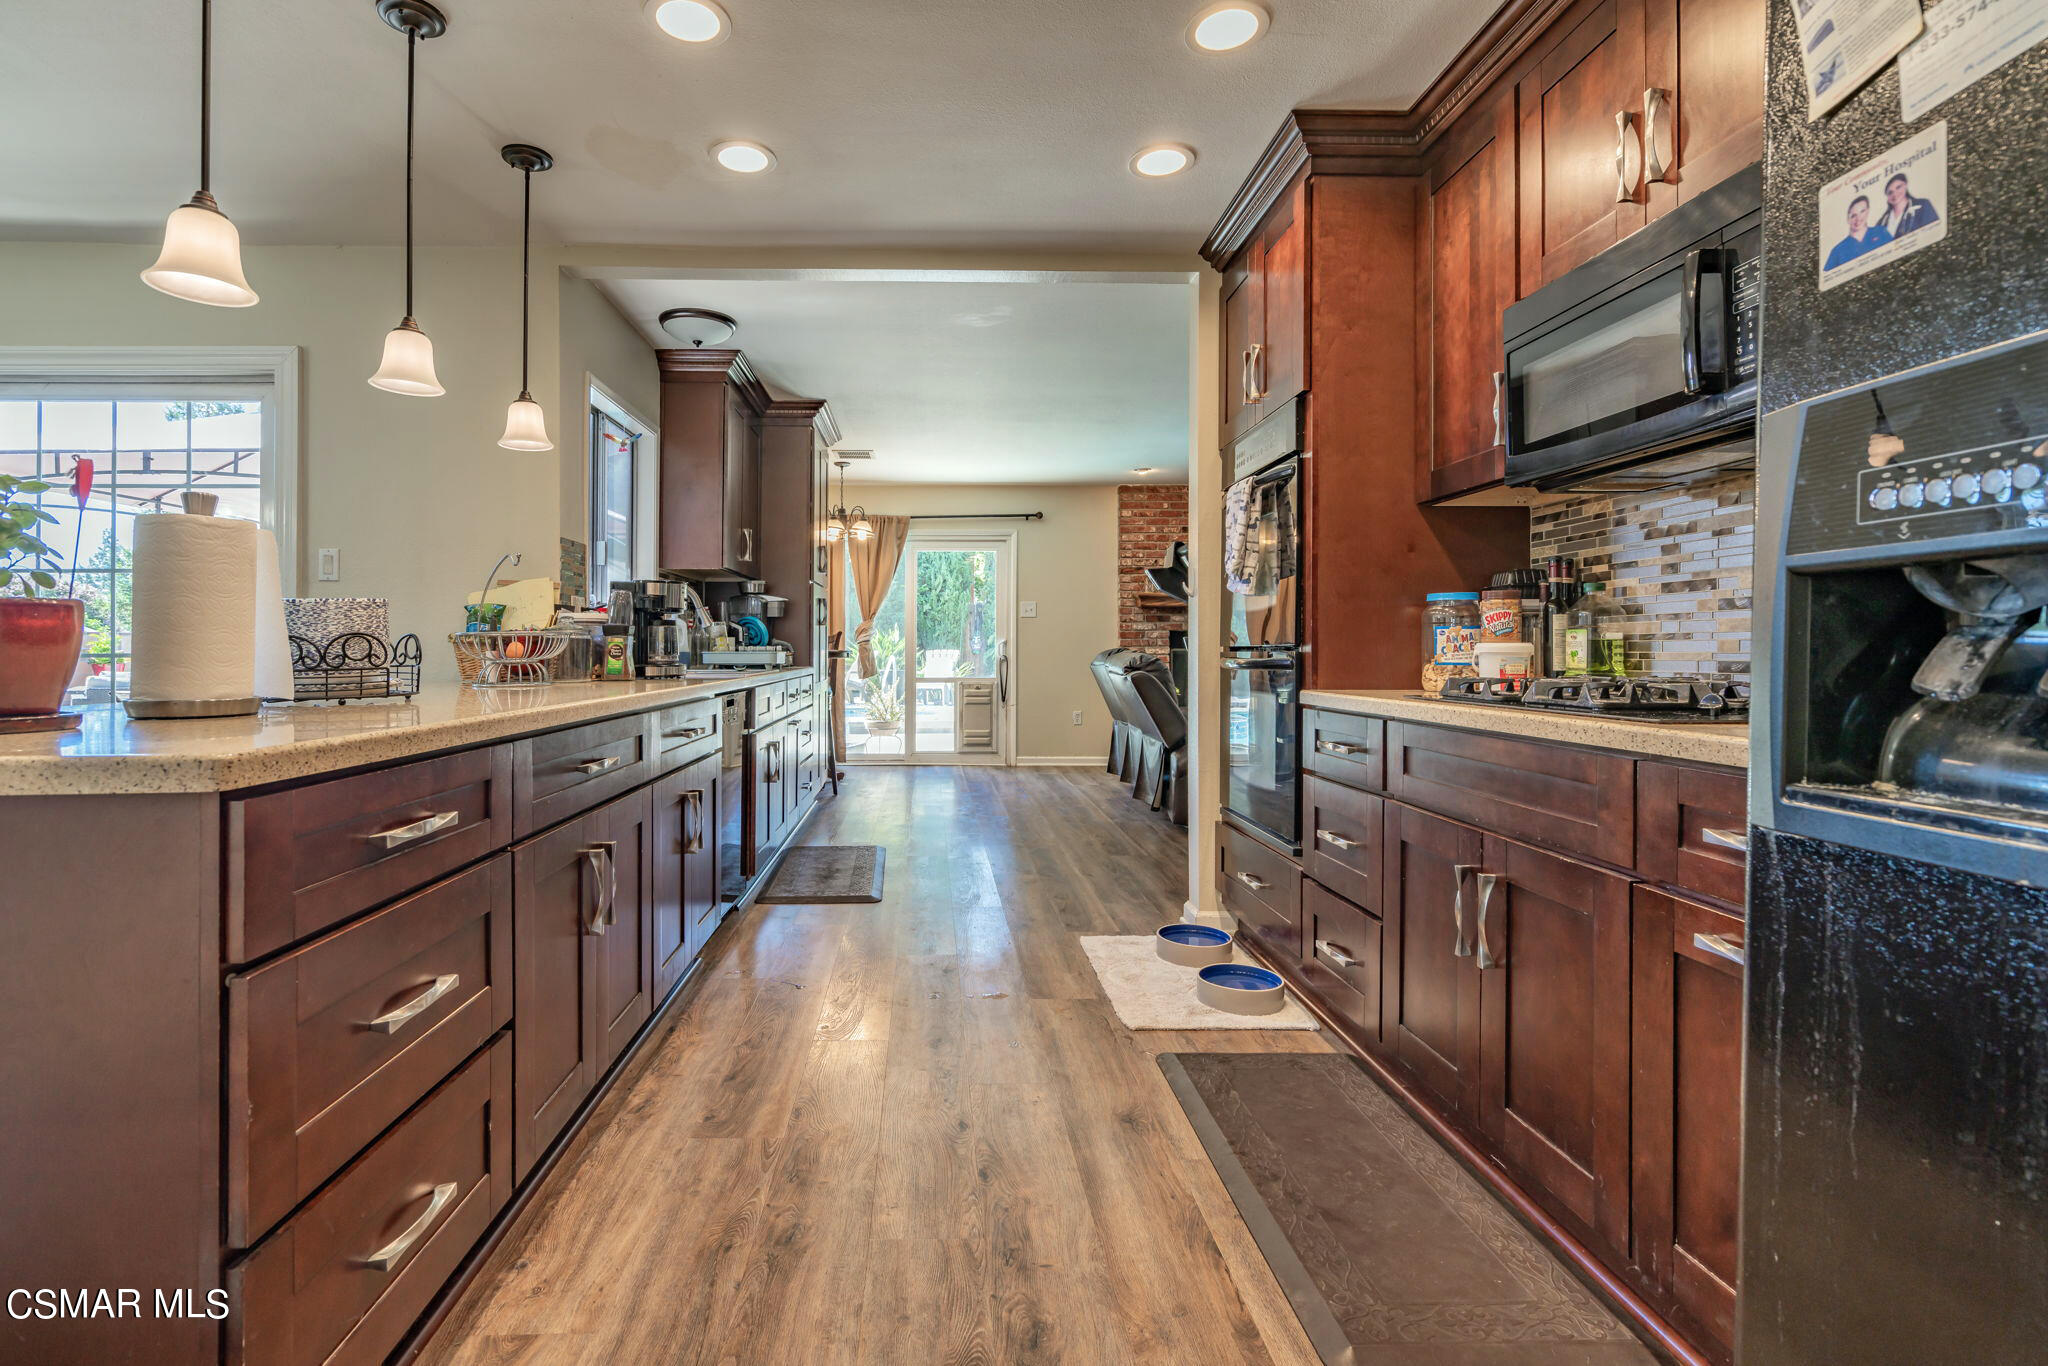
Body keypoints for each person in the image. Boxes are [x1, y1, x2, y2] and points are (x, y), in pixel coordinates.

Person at [1825, 195, 1892, 270]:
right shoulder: (1837, 251)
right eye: (1853, 215)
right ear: (1848, 219)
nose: (1858, 218)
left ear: (1868, 211)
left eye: (1862, 211)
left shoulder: (1881, 232)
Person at [1877, 172, 1940, 237]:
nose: (1895, 194)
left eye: (1898, 187)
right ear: (1887, 197)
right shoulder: (1882, 222)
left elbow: (1934, 231)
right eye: (1890, 192)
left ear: (1905, 185)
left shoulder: (1923, 205)